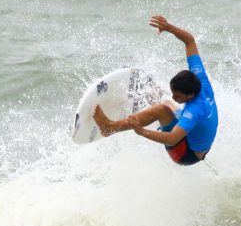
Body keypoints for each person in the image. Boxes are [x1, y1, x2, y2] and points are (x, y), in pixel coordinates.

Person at [93, 15, 218, 166]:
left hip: (186, 154)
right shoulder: (200, 80)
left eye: (177, 96)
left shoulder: (195, 110)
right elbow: (190, 40)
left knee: (161, 109)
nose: (175, 97)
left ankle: (110, 128)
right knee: (161, 97)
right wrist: (169, 27)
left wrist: (141, 131)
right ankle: (142, 108)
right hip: (196, 140)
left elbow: (173, 139)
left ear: (190, 95)